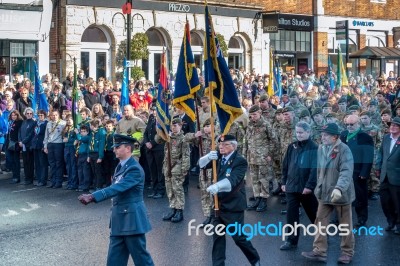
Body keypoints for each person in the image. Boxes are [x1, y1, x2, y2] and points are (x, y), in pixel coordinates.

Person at [78, 134, 154, 266]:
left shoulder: (134, 168)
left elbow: (118, 188)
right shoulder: (120, 166)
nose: (114, 150)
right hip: (119, 220)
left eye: (118, 147)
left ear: (128, 149)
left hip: (132, 221)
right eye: (114, 147)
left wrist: (92, 196)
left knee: (142, 260)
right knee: (114, 261)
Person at [199, 135, 260, 266]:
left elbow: (233, 181)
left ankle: (255, 260)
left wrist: (217, 186)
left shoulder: (240, 161)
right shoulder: (218, 157)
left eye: (225, 144)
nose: (221, 147)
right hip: (217, 205)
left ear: (234, 146)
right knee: (217, 238)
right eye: (220, 144)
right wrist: (208, 157)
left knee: (239, 239)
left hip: (233, 206)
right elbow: (201, 165)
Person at [302, 123, 355, 264]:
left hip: (341, 194)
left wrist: (339, 188)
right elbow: (320, 170)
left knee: (345, 225)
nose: (322, 137)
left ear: (335, 137)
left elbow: (346, 171)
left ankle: (347, 252)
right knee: (320, 221)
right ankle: (319, 251)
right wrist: (318, 187)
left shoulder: (344, 149)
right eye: (322, 134)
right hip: (324, 193)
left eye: (326, 135)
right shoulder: (321, 148)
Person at [280, 121, 318, 250]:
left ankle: (322, 236)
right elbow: (285, 165)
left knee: (313, 213)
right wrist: (283, 182)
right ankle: (291, 241)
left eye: (301, 132)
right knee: (291, 215)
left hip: (305, 188)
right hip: (291, 187)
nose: (299, 135)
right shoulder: (292, 146)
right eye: (297, 132)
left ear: (308, 132)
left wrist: (309, 186)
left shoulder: (314, 147)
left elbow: (315, 169)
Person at [340, 115, 374, 227]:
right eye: (347, 124)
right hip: (344, 170)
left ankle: (362, 218)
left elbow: (368, 156)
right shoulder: (343, 134)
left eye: (352, 124)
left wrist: (364, 172)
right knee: (341, 194)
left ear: (358, 124)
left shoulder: (365, 137)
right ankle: (339, 218)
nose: (349, 126)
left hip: (358, 171)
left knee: (360, 196)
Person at [244, 105, 279, 212]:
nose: (252, 117)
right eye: (251, 115)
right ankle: (257, 197)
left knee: (264, 179)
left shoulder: (266, 125)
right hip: (252, 157)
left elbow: (274, 140)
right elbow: (246, 140)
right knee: (254, 179)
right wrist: (245, 154)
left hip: (263, 157)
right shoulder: (250, 125)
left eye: (254, 114)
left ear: (260, 113)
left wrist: (270, 155)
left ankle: (264, 199)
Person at [156, 118, 190, 223]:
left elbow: (186, 155)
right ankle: (173, 209)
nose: (173, 127)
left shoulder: (183, 139)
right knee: (169, 189)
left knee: (177, 189)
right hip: (167, 167)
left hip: (177, 167)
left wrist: (184, 169)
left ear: (180, 125)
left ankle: (179, 210)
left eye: (176, 125)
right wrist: (162, 131)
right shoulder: (168, 137)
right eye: (172, 126)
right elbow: (157, 139)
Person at [376, 117, 400, 234]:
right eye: (391, 125)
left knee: (397, 202)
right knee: (385, 201)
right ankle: (391, 221)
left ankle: (399, 225)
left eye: (396, 125)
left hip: (397, 177)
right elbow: (381, 153)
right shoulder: (386, 138)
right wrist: (378, 167)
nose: (392, 127)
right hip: (384, 175)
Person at [43, 110, 66, 188]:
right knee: (52, 163)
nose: (54, 116)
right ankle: (53, 181)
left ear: (58, 115)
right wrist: (45, 146)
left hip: (58, 144)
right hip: (50, 144)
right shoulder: (49, 123)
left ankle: (58, 182)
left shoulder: (63, 123)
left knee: (58, 163)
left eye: (56, 115)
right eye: (53, 115)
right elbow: (46, 136)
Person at [31, 110, 48, 186]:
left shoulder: (46, 123)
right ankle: (39, 179)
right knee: (37, 163)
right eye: (39, 115)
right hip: (35, 145)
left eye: (42, 115)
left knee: (43, 163)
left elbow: (46, 135)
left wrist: (44, 146)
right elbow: (34, 134)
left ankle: (43, 180)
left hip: (42, 145)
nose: (40, 116)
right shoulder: (36, 123)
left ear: (44, 116)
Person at [19, 107, 36, 184]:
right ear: (25, 114)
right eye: (27, 113)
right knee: (25, 162)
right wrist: (20, 141)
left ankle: (30, 179)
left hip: (29, 145)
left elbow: (31, 134)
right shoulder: (24, 122)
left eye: (30, 113)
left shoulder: (33, 122)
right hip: (23, 145)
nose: (29, 115)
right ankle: (26, 177)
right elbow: (19, 132)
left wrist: (23, 141)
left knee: (30, 162)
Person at [6, 110, 23, 183]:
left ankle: (17, 177)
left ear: (17, 115)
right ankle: (14, 176)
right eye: (12, 115)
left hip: (16, 143)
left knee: (16, 161)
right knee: (11, 160)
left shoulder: (20, 122)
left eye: (15, 115)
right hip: (9, 143)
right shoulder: (10, 122)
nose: (13, 116)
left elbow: (20, 133)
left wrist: (19, 142)